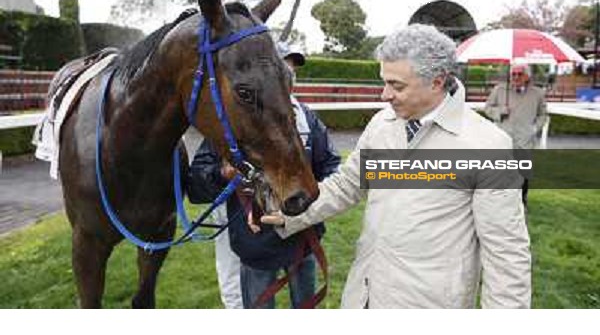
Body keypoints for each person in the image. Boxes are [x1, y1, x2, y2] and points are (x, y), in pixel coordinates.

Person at [262, 24, 531, 309]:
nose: (384, 95)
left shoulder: (488, 145)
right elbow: (347, 185)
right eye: (384, 82)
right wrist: (289, 213)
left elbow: (506, 253)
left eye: (396, 85)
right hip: (364, 296)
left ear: (437, 82)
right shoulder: (382, 125)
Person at [187, 42, 341, 309]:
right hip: (255, 247)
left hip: (303, 241)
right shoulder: (232, 124)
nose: (288, 78)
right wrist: (224, 173)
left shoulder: (308, 119)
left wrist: (314, 208)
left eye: (291, 73)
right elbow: (197, 186)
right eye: (282, 70)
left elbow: (333, 168)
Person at [484, 63, 547, 205]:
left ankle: (522, 201)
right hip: (503, 138)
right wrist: (500, 111)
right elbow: (487, 108)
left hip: (525, 139)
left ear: (527, 77)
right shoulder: (500, 90)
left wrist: (534, 129)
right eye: (513, 74)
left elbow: (542, 115)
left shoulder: (537, 93)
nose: (516, 77)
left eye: (520, 74)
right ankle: (499, 200)